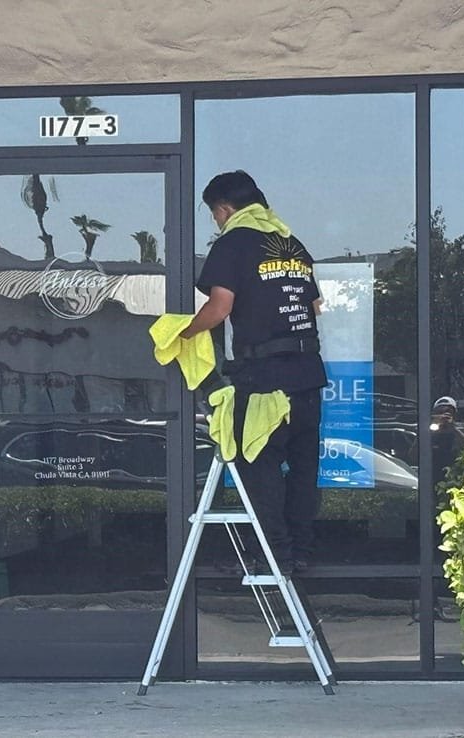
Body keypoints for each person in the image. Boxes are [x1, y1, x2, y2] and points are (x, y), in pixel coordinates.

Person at [180, 170, 326, 576]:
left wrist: (184, 332)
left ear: (225, 209)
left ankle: (275, 556)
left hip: (264, 380)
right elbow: (315, 307)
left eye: (215, 215)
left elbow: (219, 308)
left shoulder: (233, 243)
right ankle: (300, 550)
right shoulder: (291, 244)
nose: (216, 222)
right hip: (308, 377)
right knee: (303, 471)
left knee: (257, 468)